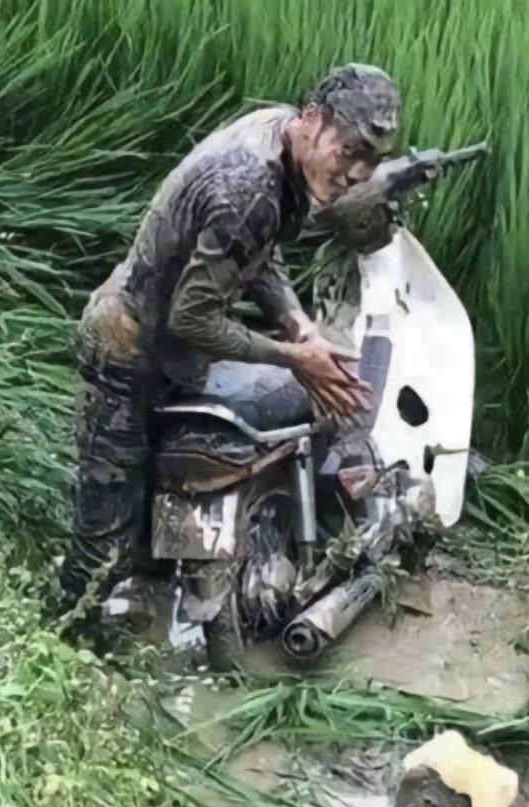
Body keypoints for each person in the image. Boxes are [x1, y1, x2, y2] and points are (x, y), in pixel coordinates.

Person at [58, 63, 402, 619]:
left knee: (147, 526)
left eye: (372, 161)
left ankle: (148, 621)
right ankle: (64, 641)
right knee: (104, 536)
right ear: (314, 121)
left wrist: (297, 322)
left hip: (168, 350)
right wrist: (295, 359)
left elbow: (258, 251)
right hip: (125, 351)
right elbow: (192, 318)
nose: (356, 174)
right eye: (348, 151)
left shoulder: (280, 138)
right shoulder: (248, 183)